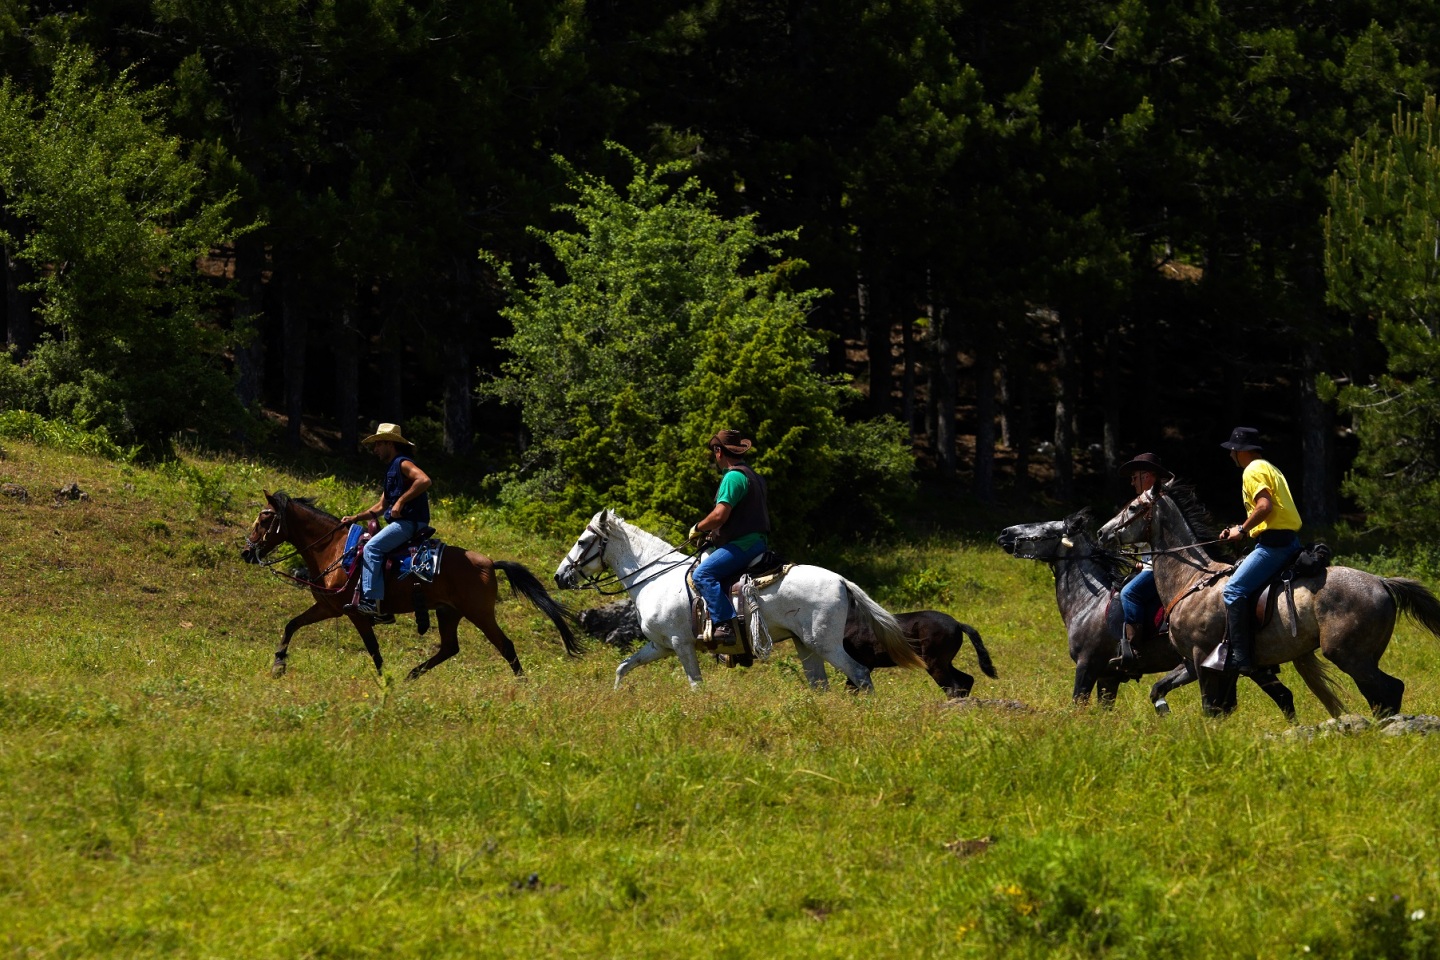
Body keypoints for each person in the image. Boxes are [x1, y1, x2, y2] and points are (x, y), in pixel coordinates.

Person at [1216, 426, 1303, 673]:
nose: (1230, 454)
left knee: (1233, 590)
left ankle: (1241, 659)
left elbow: (1264, 506)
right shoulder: (1270, 467)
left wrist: (1242, 530)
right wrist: (1239, 528)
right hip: (1289, 540)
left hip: (1274, 545)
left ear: (1239, 451)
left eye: (1232, 450)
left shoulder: (1252, 470)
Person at [341, 423, 432, 618]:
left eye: (378, 444)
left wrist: (400, 502)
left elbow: (424, 480)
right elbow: (381, 506)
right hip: (404, 523)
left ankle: (371, 601)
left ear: (390, 444)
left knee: (371, 548)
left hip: (409, 522)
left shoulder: (402, 463)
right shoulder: (392, 469)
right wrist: (355, 517)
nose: (375, 450)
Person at [688, 430, 770, 644]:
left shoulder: (733, 477)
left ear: (719, 451)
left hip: (743, 544)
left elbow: (719, 515)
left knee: (703, 574)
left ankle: (725, 625)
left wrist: (698, 527)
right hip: (756, 541)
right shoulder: (753, 476)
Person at [1108, 452, 1173, 676]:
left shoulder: (1157, 502)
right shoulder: (1154, 500)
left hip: (1161, 569)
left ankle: (1134, 650)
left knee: (1130, 594)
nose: (1132, 482)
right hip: (1152, 565)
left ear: (1147, 476)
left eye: (1134, 477)